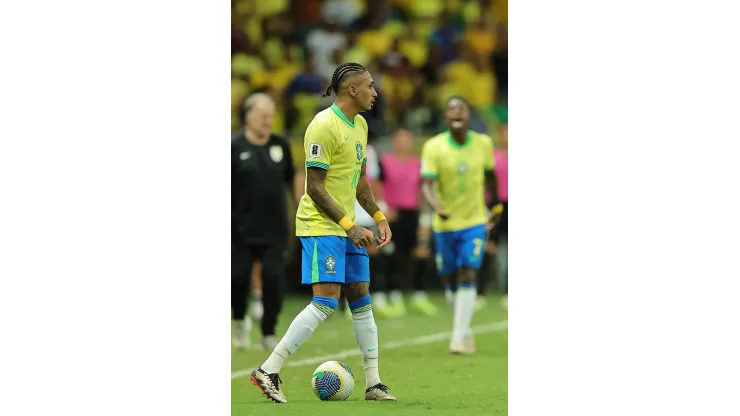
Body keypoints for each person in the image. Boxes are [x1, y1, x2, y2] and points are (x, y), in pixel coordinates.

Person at [250, 63, 396, 403]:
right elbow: (314, 187)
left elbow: (359, 182)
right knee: (327, 301)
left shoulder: (360, 125)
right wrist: (349, 226)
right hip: (321, 225)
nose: (376, 93)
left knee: (361, 297)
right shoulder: (323, 126)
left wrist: (378, 215)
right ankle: (269, 369)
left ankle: (373, 383)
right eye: (370, 86)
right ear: (352, 90)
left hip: (348, 226)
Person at [420, 96, 503, 355]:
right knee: (450, 279)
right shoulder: (434, 147)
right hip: (444, 224)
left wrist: (496, 205)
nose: (457, 113)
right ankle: (464, 330)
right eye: (451, 110)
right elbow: (426, 183)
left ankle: (457, 338)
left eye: (462, 109)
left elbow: (491, 176)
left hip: (474, 221)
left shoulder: (483, 143)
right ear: (445, 118)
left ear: (469, 116)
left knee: (469, 271)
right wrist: (435, 205)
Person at [232, 93, 303, 351]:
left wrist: (301, 205)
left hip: (274, 228)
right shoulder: (234, 147)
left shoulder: (280, 145)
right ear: (248, 116)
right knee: (238, 279)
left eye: (271, 116)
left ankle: (268, 331)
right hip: (239, 229)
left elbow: (292, 177)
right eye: (262, 115)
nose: (267, 120)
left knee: (274, 279)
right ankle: (239, 322)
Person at [376, 128, 437, 317]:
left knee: (420, 254)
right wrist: (383, 209)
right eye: (399, 139)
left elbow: (425, 191)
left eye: (406, 139)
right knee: (391, 256)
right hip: (392, 215)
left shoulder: (419, 164)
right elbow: (375, 187)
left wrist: (426, 220)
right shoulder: (384, 162)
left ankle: (419, 295)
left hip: (414, 214)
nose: (403, 143)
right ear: (393, 142)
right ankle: (394, 297)